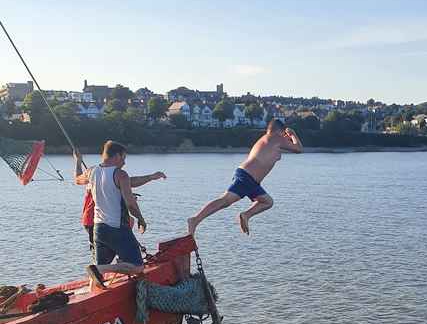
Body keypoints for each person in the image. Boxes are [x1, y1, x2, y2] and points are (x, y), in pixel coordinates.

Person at [74, 140, 166, 289]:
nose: (124, 162)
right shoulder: (120, 174)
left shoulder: (91, 171)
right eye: (123, 158)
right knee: (137, 267)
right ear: (116, 156)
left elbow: (77, 179)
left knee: (98, 274)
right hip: (116, 228)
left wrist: (77, 161)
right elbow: (130, 203)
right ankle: (100, 269)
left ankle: (94, 289)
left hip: (99, 228)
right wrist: (141, 219)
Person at [187, 119, 302, 237]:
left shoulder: (268, 140)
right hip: (247, 176)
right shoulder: (275, 138)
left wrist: (287, 137)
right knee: (225, 201)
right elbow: (299, 149)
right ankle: (195, 219)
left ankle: (246, 215)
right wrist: (292, 134)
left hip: (251, 181)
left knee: (267, 202)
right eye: (284, 133)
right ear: (280, 131)